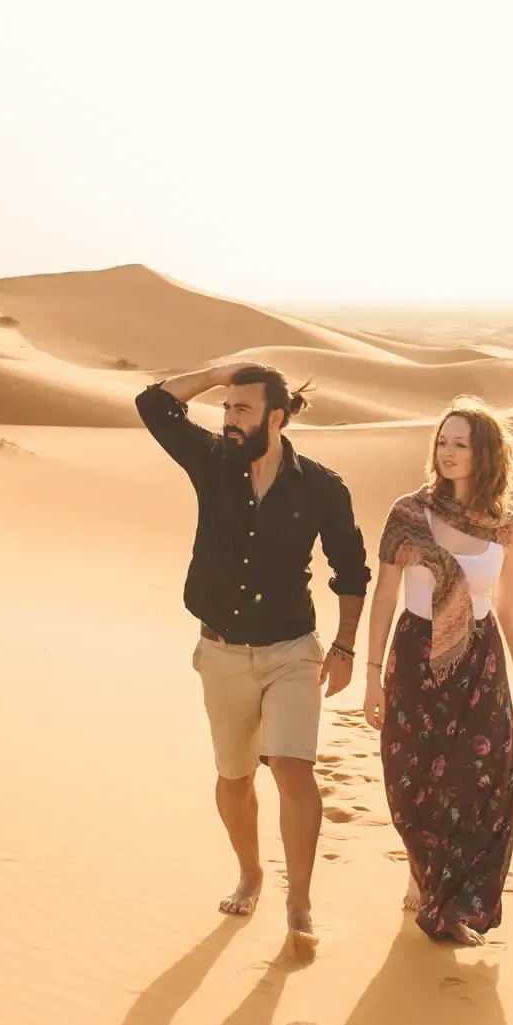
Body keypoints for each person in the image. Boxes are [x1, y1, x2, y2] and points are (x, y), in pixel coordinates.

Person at [136, 362, 370, 961]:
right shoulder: (211, 461)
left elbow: (350, 569)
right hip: (220, 652)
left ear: (277, 417)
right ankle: (250, 872)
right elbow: (153, 405)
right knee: (235, 778)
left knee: (293, 772)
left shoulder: (321, 487)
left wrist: (344, 646)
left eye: (243, 409)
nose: (229, 418)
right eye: (225, 408)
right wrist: (217, 376)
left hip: (293, 649)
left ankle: (300, 903)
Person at [362, 397, 513, 946]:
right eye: (442, 442)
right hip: (415, 653)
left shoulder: (505, 528)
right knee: (413, 780)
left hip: (482, 661)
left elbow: (510, 604)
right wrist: (371, 674)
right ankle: (421, 865)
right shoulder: (408, 514)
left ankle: (453, 904)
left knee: (486, 786)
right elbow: (385, 592)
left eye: (460, 444)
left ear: (485, 454)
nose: (448, 452)